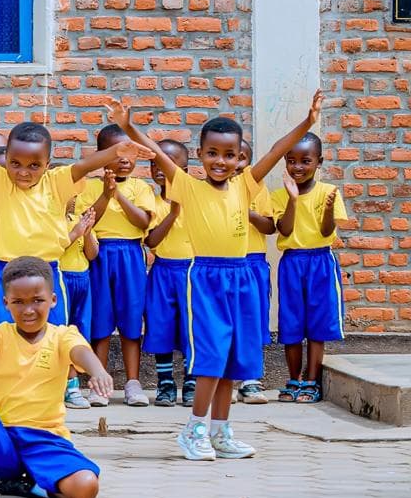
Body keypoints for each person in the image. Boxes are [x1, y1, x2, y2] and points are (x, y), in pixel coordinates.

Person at [117, 92, 323, 460]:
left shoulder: (246, 185)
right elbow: (155, 151)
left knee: (232, 358)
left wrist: (308, 123)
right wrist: (128, 125)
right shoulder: (187, 186)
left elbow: (277, 150)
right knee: (211, 354)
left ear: (239, 159)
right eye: (213, 153)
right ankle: (193, 429)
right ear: (200, 155)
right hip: (206, 279)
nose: (221, 161)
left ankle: (220, 431)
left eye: (229, 155)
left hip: (241, 276)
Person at [0, 84, 151, 328]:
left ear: (47, 164)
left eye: (33, 166)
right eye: (15, 163)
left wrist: (117, 150)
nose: (23, 172)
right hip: (5, 271)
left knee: (54, 337)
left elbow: (85, 165)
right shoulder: (0, 181)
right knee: (0, 339)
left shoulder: (56, 182)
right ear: (6, 161)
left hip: (47, 272)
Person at [0, 257, 110, 498]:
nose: (28, 310)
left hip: (45, 440)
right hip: (1, 438)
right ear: (6, 303)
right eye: (18, 302)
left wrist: (97, 370)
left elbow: (80, 352)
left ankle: (29, 486)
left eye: (37, 300)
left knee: (86, 488)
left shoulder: (63, 335)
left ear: (53, 300)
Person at [83, 124, 158, 407]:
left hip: (130, 255)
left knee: (130, 319)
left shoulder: (140, 187)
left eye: (132, 151)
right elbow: (90, 220)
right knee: (100, 320)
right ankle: (99, 382)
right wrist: (105, 193)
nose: (126, 158)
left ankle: (132, 382)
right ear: (102, 154)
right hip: (100, 254)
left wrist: (118, 194)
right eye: (118, 152)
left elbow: (143, 222)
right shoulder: (90, 186)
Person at [271, 133, 348, 403]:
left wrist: (327, 210)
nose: (298, 167)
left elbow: (327, 231)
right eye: (291, 161)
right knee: (292, 323)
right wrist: (293, 200)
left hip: (320, 262)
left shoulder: (329, 192)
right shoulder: (279, 196)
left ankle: (312, 382)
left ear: (319, 162)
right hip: (292, 261)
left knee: (316, 326)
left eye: (306, 161)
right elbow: (284, 229)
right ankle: (294, 379)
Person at [143, 139, 195, 407]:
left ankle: (191, 382)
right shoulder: (152, 203)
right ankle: (164, 383)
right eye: (154, 164)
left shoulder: (197, 199)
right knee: (160, 324)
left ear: (185, 169)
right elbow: (151, 242)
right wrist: (172, 214)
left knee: (191, 327)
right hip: (163, 270)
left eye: (168, 164)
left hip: (191, 272)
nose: (160, 169)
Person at [57, 178, 106, 408]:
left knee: (79, 331)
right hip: (60, 279)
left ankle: (73, 381)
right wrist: (75, 232)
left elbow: (92, 254)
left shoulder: (80, 219)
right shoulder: (50, 220)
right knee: (62, 331)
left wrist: (86, 232)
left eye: (74, 195)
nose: (71, 200)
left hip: (82, 279)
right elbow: (53, 248)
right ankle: (70, 385)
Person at [236, 139, 277, 404]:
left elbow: (270, 227)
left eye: (242, 158)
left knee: (253, 321)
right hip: (222, 263)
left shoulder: (257, 189)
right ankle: (226, 378)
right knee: (226, 322)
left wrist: (246, 212)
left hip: (252, 262)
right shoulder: (209, 190)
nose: (236, 163)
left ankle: (251, 379)